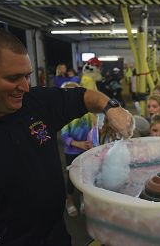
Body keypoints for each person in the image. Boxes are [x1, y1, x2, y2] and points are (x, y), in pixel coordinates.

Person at [0, 25, 134, 246]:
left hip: (57, 237)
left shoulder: (36, 103)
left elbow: (84, 96)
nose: (25, 87)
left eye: (27, 76)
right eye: (13, 78)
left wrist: (111, 107)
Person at [60, 82, 94, 217]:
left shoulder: (86, 113)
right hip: (71, 152)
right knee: (71, 178)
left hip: (85, 150)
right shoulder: (63, 115)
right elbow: (64, 135)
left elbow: (92, 129)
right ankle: (68, 200)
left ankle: (82, 198)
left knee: (85, 176)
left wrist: (91, 141)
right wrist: (77, 144)